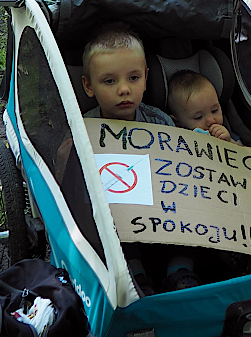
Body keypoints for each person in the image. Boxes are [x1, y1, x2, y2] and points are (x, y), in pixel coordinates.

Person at [81, 24, 199, 293]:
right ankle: (135, 275)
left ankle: (179, 272)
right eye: (109, 81)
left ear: (146, 78)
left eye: (133, 78)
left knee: (191, 223)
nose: (124, 89)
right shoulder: (83, 129)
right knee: (112, 230)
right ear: (88, 86)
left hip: (163, 211)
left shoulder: (160, 122)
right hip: (117, 216)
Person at [168, 70, 240, 143]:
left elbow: (243, 149)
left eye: (214, 111)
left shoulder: (223, 132)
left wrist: (229, 141)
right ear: (177, 122)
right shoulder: (175, 140)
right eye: (199, 117)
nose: (211, 121)